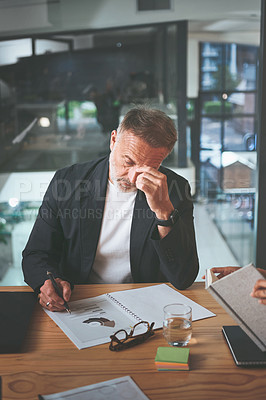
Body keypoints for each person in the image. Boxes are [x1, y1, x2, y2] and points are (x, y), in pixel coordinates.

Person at [22, 107, 199, 312]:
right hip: (79, 302)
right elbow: (36, 253)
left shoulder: (175, 190)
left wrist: (164, 213)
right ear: (113, 140)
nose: (133, 178)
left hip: (145, 304)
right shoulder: (67, 181)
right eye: (128, 162)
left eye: (148, 169)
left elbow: (183, 277)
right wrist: (47, 282)